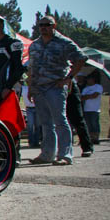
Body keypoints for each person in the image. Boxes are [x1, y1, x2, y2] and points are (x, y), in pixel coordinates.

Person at [27, 15, 87, 165]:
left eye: (47, 24)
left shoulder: (64, 42)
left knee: (60, 121)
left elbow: (81, 58)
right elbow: (31, 68)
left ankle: (65, 155)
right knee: (46, 123)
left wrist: (69, 78)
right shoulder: (34, 45)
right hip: (39, 88)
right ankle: (47, 154)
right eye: (41, 25)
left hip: (55, 86)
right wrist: (31, 87)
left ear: (54, 26)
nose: (43, 27)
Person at [0, 14, 25, 108]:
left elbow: (18, 68)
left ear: (2, 25)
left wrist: (8, 87)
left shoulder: (13, 43)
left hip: (10, 86)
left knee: (10, 115)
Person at [66, 78, 93, 157]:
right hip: (55, 90)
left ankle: (87, 147)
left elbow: (70, 75)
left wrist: (68, 91)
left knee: (78, 120)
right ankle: (62, 150)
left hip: (70, 91)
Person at [81, 71, 103, 144]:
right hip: (86, 109)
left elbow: (95, 95)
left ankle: (96, 138)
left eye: (88, 79)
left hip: (95, 109)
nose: (87, 80)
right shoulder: (86, 88)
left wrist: (87, 97)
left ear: (93, 79)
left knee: (94, 124)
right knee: (88, 124)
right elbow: (81, 97)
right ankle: (91, 138)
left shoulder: (98, 87)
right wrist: (89, 96)